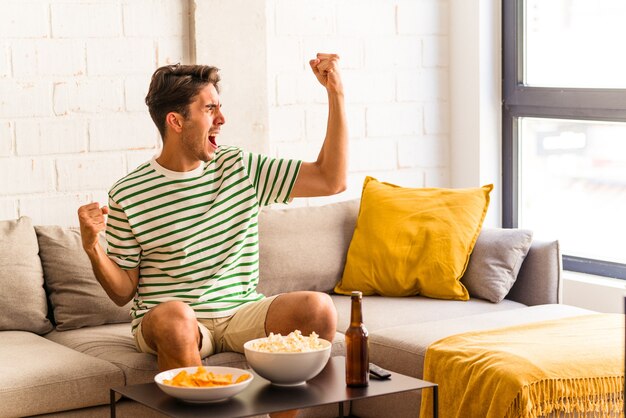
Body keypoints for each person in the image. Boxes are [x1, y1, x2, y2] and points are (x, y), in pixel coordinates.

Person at [77, 53, 347, 416]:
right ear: (176, 121)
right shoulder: (129, 192)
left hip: (241, 310)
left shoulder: (240, 167)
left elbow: (331, 180)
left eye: (219, 107)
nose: (222, 119)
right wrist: (94, 248)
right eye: (209, 110)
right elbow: (123, 291)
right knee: (176, 318)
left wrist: (336, 94)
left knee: (318, 308)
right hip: (171, 317)